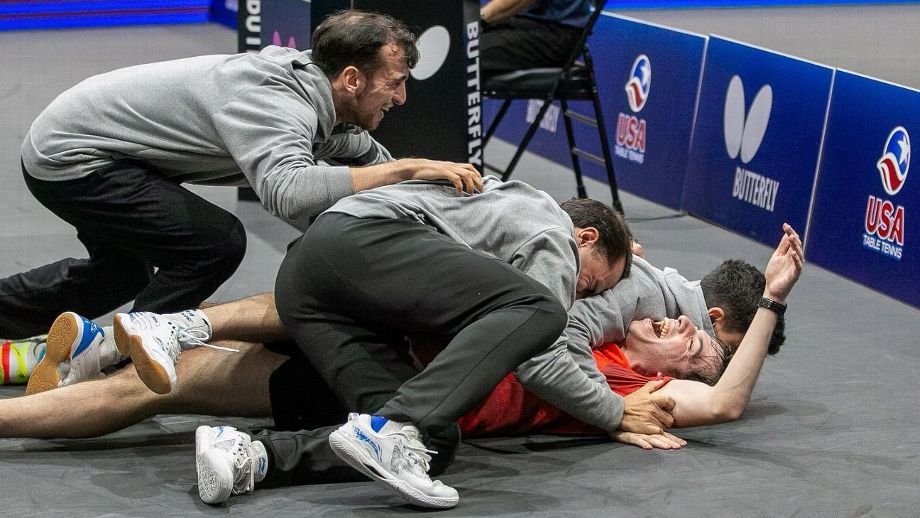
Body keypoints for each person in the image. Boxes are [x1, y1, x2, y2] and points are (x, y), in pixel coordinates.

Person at [0, 224, 803, 496]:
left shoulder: (638, 385)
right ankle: (79, 346)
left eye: (697, 345)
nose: (679, 326)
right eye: (688, 323)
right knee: (285, 303)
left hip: (388, 381)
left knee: (171, 390)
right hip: (383, 322)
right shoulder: (602, 308)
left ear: (682, 371)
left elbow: (727, 402)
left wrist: (769, 304)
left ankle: (36, 391)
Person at [0, 9, 482, 341]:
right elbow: (290, 194)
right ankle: (130, 350)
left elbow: (367, 168)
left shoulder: (324, 103)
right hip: (73, 158)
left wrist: (439, 215)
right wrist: (406, 167)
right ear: (352, 79)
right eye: (394, 84)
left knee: (120, 273)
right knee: (213, 242)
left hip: (106, 147)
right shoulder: (276, 104)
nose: (400, 99)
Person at [479, 0, 593, 81]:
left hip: (557, 33)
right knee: (464, 45)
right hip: (527, 22)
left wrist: (479, 18)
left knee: (467, 54)